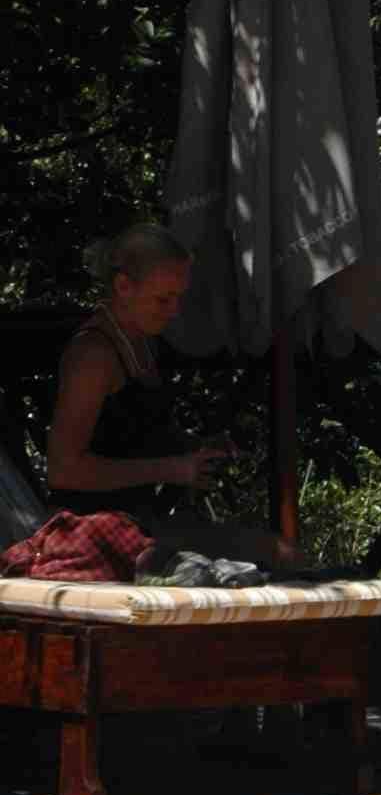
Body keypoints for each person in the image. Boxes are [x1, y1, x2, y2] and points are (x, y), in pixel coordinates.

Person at [46, 223, 290, 563]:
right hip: (91, 532)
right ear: (123, 287)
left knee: (273, 556)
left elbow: (131, 435)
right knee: (274, 556)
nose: (173, 311)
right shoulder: (93, 356)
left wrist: (193, 447)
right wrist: (172, 469)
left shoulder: (141, 341)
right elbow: (63, 470)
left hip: (138, 522)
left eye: (178, 298)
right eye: (163, 299)